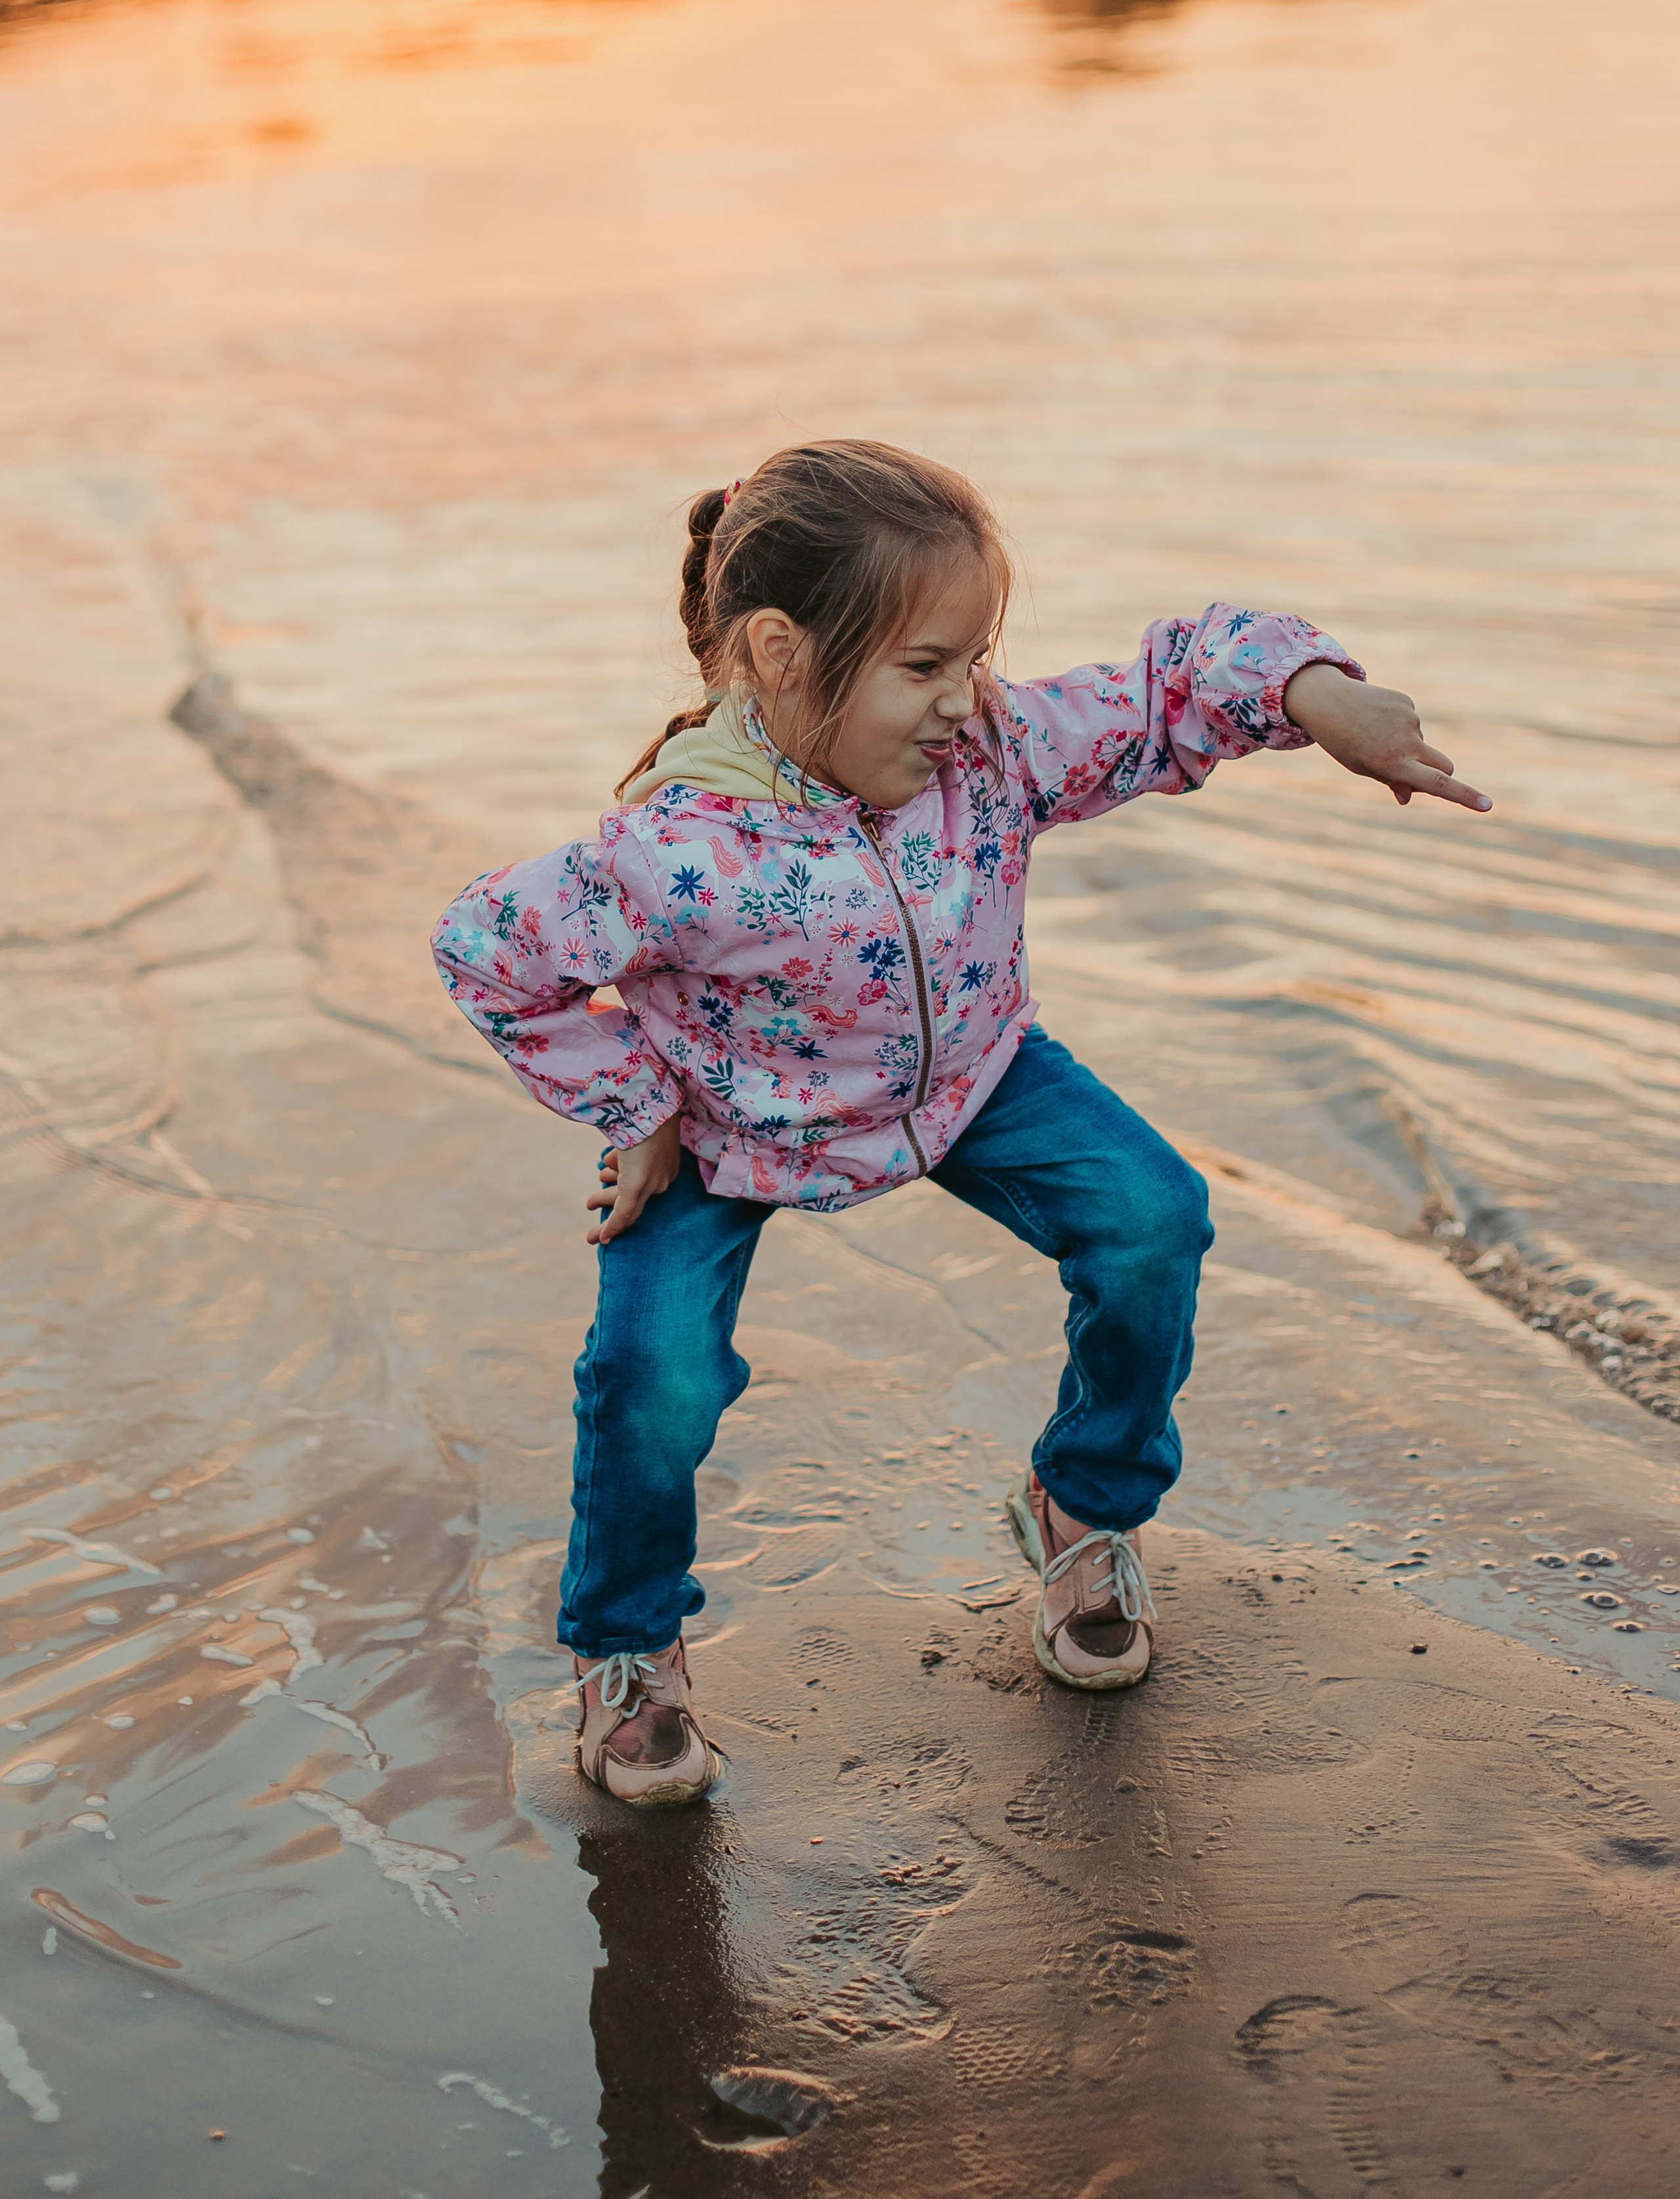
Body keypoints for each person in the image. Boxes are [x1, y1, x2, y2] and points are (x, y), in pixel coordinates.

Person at [431, 440, 1490, 1806]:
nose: (958, 702)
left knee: (1152, 1217)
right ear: (774, 654)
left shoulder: (992, 754)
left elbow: (1174, 678)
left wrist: (1319, 696)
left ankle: (1081, 1504)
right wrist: (634, 1107)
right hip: (729, 1121)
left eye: (973, 659)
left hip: (972, 1079)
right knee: (651, 1380)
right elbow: (484, 949)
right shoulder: (676, 852)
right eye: (922, 667)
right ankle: (628, 1645)